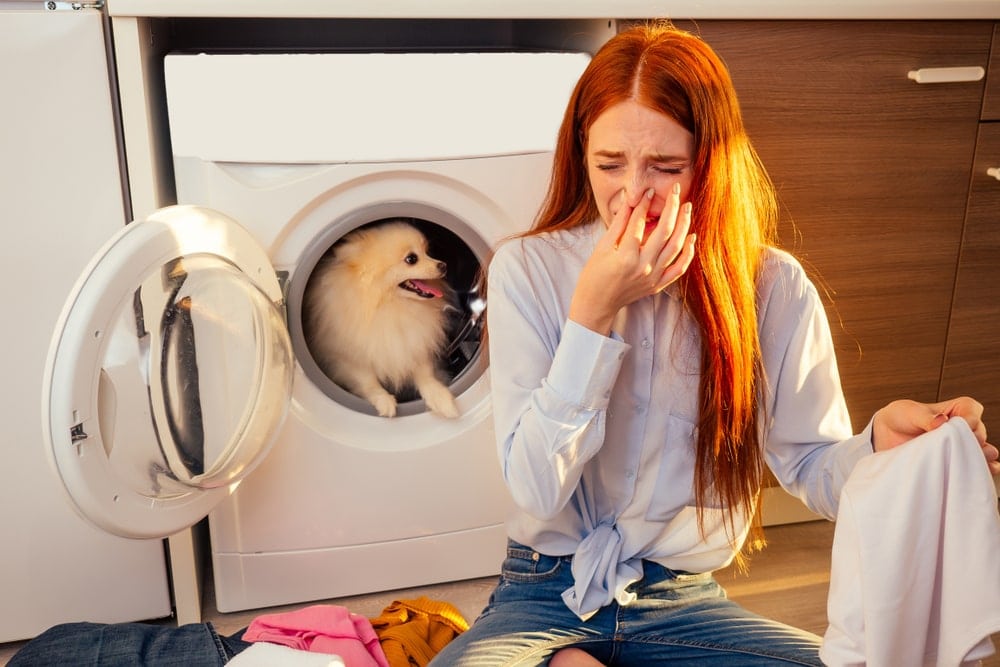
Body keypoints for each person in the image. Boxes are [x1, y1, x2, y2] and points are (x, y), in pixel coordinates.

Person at [427, 21, 998, 667]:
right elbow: (536, 488)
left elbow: (810, 465)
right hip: (544, 590)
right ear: (580, 152)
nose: (632, 194)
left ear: (711, 164)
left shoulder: (774, 287)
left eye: (666, 167)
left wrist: (881, 452)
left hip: (680, 601)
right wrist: (593, 313)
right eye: (609, 164)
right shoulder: (528, 270)